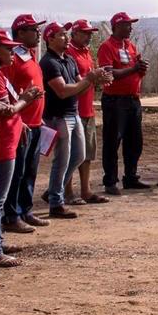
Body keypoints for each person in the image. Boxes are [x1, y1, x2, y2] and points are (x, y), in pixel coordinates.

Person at [0, 30, 41, 268]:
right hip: (0, 145)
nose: (13, 53)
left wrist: (20, 120)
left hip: (7, 142)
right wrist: (28, 99)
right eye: (8, 49)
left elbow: (9, 109)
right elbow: (6, 110)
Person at [39, 22, 100, 218]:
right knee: (62, 160)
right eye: (62, 35)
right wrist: (89, 80)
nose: (66, 38)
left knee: (79, 156)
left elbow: (79, 84)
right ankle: (56, 202)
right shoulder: (48, 62)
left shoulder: (69, 60)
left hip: (73, 113)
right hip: (58, 116)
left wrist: (94, 80)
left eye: (66, 34)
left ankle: (53, 191)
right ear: (50, 39)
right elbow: (63, 90)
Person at [3, 13, 49, 233]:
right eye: (33, 29)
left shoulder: (30, 55)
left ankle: (26, 210)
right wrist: (17, 119)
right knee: (17, 172)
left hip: (37, 123)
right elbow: (6, 89)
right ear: (20, 33)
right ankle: (11, 215)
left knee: (30, 170)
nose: (38, 32)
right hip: (21, 124)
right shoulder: (11, 57)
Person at [98, 12, 151, 192]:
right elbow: (109, 74)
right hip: (115, 101)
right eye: (126, 25)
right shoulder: (107, 47)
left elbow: (133, 69)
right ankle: (110, 181)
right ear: (116, 26)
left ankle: (131, 177)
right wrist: (133, 68)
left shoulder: (131, 46)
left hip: (133, 99)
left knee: (135, 142)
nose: (130, 27)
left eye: (131, 24)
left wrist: (141, 69)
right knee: (113, 141)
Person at [65, 20, 110, 204]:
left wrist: (99, 79)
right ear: (74, 34)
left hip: (88, 108)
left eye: (89, 33)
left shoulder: (86, 52)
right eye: (84, 32)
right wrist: (91, 79)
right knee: (71, 153)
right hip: (73, 108)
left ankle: (85, 190)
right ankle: (66, 191)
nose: (88, 36)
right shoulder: (69, 53)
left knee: (87, 153)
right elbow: (73, 82)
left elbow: (88, 79)